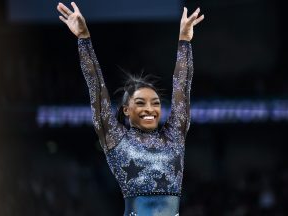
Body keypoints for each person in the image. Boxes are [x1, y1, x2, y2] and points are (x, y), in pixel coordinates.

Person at [56, 2, 204, 215]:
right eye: (141, 103)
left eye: (155, 103)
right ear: (126, 110)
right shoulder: (115, 138)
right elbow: (96, 88)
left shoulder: (174, 136)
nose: (150, 109)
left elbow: (183, 86)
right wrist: (84, 38)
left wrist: (185, 42)